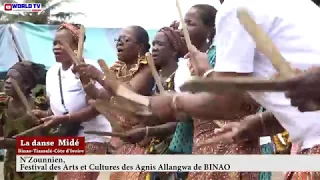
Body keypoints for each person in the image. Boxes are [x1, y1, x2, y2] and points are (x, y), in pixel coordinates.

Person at [73, 25, 154, 180]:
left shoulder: (148, 67)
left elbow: (127, 93)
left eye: (126, 39)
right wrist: (84, 76)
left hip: (143, 140)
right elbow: (98, 95)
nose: (119, 43)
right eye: (118, 39)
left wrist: (98, 75)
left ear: (140, 46)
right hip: (122, 141)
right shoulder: (117, 69)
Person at [34, 23, 112, 180]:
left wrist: (65, 118)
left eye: (62, 43)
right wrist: (44, 114)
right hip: (67, 137)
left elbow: (98, 107)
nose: (56, 47)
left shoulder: (89, 68)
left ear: (77, 46)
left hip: (91, 137)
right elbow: (59, 108)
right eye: (54, 43)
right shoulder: (51, 73)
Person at [1, 61, 55, 180]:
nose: (8, 81)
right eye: (7, 77)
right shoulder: (3, 105)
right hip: (12, 167)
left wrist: (8, 142)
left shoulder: (38, 107)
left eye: (13, 79)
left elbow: (41, 145)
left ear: (26, 85)